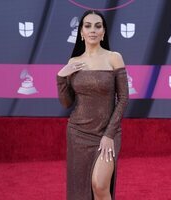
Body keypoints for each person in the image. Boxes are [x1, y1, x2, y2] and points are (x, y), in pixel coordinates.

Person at [57, 10, 128, 200]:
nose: (93, 30)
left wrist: (109, 135)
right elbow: (66, 103)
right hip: (78, 134)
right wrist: (61, 77)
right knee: (81, 189)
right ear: (81, 32)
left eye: (98, 26)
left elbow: (123, 98)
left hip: (107, 134)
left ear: (104, 32)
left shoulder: (114, 58)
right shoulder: (74, 62)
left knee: (100, 184)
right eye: (87, 26)